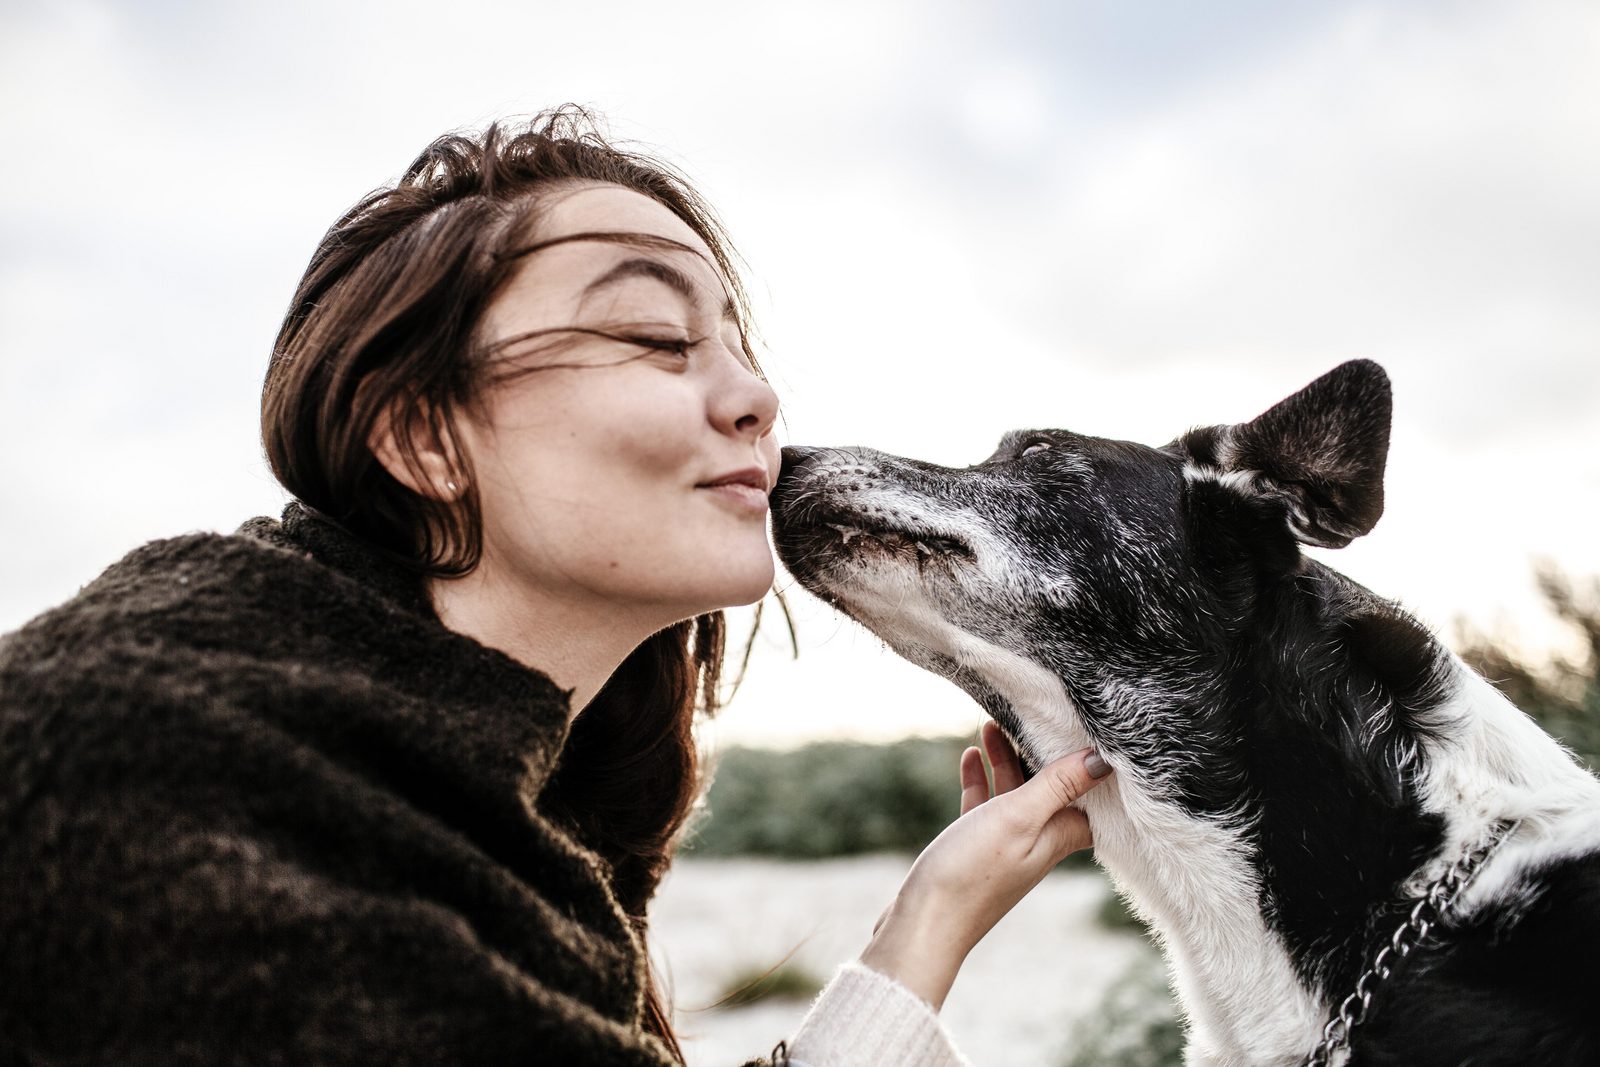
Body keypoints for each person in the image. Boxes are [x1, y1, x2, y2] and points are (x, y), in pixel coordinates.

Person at [0, 108, 1111, 1066]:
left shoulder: (515, 816)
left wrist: (929, 917)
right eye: (654, 334)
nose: (756, 396)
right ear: (421, 437)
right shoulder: (157, 765)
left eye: (735, 342)